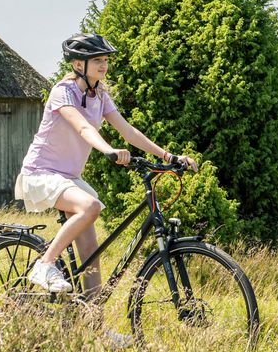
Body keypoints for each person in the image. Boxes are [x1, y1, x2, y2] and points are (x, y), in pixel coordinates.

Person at [16, 33, 196, 300]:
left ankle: (94, 327)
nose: (103, 65)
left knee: (91, 256)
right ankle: (44, 266)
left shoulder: (99, 94)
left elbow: (129, 132)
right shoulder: (62, 92)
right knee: (90, 206)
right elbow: (83, 127)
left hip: (68, 177)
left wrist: (168, 157)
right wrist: (108, 150)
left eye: (105, 60)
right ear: (79, 64)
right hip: (41, 173)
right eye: (97, 60)